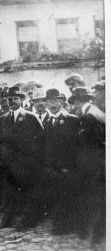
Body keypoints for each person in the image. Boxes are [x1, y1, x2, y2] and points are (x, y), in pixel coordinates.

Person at [0, 86, 44, 229]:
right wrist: (2, 159)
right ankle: (7, 221)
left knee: (28, 193)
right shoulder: (3, 118)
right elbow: (1, 141)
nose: (12, 101)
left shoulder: (30, 116)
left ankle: (29, 221)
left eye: (15, 98)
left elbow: (42, 139)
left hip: (27, 163)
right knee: (10, 193)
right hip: (10, 163)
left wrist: (34, 159)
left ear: (21, 100)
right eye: (9, 99)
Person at [68, 88, 105, 245]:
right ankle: (95, 234)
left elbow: (94, 143)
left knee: (91, 199)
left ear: (78, 101)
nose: (75, 107)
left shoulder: (89, 116)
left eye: (76, 103)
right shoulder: (96, 112)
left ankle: (95, 236)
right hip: (97, 164)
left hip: (92, 166)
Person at [42, 89, 79, 234]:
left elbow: (75, 146)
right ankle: (58, 224)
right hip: (51, 168)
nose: (52, 104)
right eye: (49, 101)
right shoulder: (46, 120)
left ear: (61, 102)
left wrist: (68, 166)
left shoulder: (71, 119)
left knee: (66, 197)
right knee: (54, 196)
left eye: (55, 101)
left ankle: (66, 226)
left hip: (66, 168)